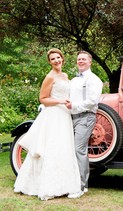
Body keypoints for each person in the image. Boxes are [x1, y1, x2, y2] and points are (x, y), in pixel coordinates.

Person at [13, 48, 81, 201]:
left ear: (62, 58)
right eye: (53, 59)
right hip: (53, 115)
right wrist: (60, 101)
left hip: (64, 115)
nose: (56, 60)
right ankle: (48, 186)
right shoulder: (49, 77)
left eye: (58, 57)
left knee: (64, 148)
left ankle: (65, 185)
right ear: (49, 62)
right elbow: (43, 98)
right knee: (52, 148)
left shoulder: (64, 75)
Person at [65, 50, 103, 197]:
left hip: (86, 117)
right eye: (78, 59)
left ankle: (80, 187)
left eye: (83, 59)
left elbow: (92, 102)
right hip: (71, 117)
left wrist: (73, 106)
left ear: (90, 62)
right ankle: (77, 183)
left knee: (79, 149)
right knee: (71, 150)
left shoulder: (94, 80)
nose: (80, 61)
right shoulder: (74, 80)